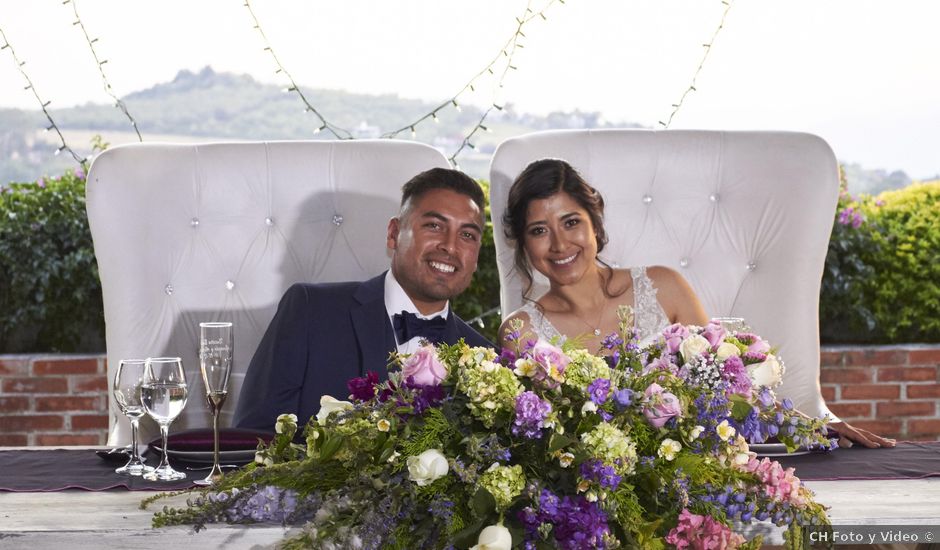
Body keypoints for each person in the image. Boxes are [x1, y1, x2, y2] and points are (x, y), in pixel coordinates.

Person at [498, 158, 895, 449]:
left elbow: (730, 389)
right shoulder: (522, 334)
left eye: (571, 222)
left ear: (594, 224)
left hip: (700, 469)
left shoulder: (663, 286)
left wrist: (809, 426)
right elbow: (535, 443)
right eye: (539, 230)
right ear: (522, 241)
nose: (560, 244)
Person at [234, 167, 492, 431]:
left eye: (467, 235)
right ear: (394, 234)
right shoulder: (312, 311)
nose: (450, 246)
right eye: (434, 226)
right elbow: (252, 439)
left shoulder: (487, 361)